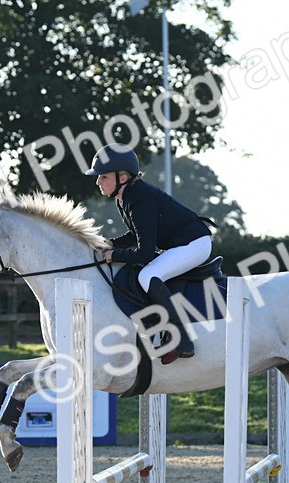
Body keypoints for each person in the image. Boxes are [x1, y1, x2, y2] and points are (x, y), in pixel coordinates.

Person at [86, 143, 213, 359]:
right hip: (182, 243)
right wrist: (112, 243)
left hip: (195, 243)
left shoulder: (140, 198)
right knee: (145, 272)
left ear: (123, 178)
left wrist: (114, 254)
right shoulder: (126, 198)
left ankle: (181, 339)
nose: (98, 181)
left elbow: (144, 252)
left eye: (104, 176)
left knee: (148, 274)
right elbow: (137, 235)